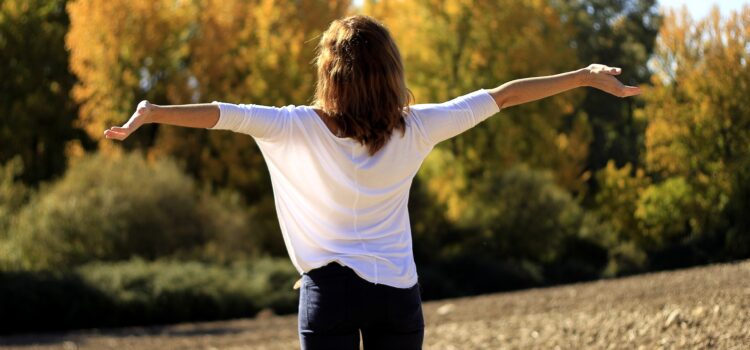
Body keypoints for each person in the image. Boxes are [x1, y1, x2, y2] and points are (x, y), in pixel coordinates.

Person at [104, 14, 640, 350]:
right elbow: (504, 95)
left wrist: (153, 112)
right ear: (392, 71)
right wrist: (584, 77)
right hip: (397, 296)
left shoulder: (294, 126)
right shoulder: (419, 126)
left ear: (328, 75)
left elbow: (222, 114)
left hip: (329, 295)